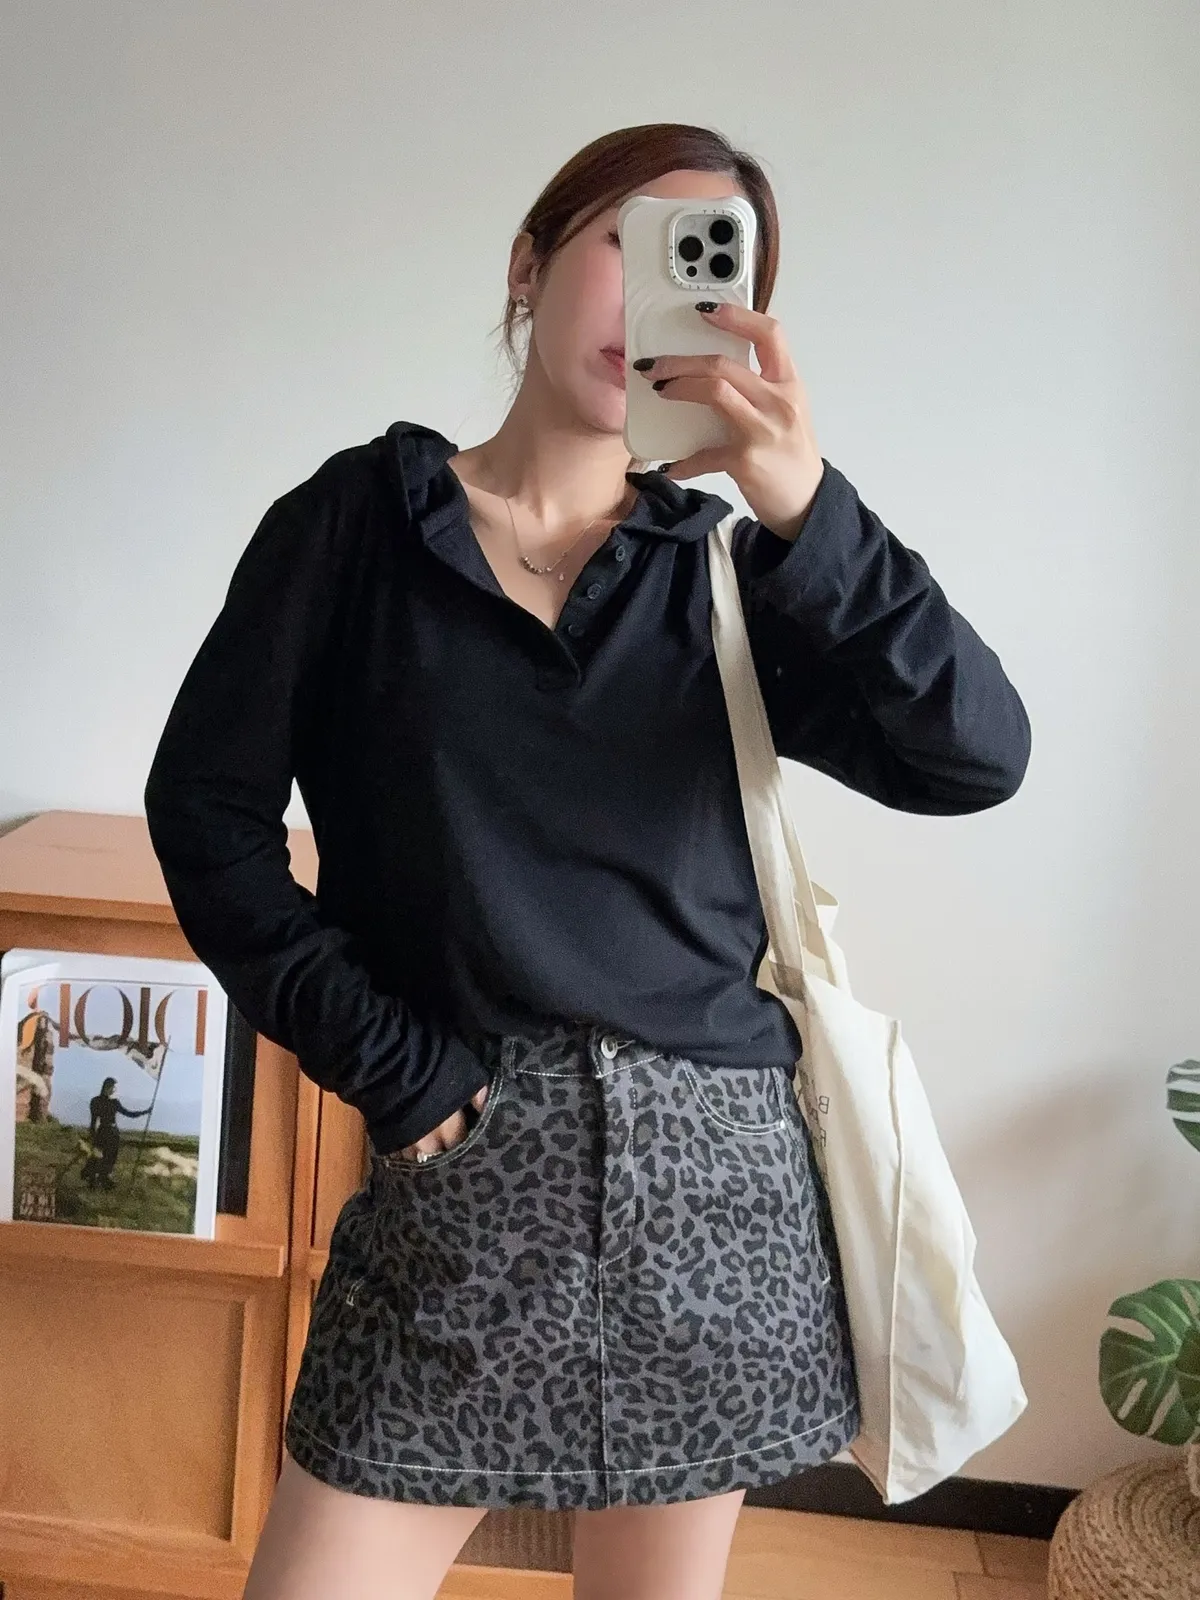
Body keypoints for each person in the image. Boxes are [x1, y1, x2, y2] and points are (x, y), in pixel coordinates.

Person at [144, 123, 1031, 1600]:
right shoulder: (356, 529)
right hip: (463, 1180)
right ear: (529, 265)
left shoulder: (728, 571)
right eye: (627, 243)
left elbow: (975, 755)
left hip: (717, 1201)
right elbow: (204, 815)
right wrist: (391, 1066)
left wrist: (807, 506)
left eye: (709, 266)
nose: (657, 294)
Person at [80, 1076, 152, 1189]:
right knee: (101, 1157)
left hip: (108, 1133)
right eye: (113, 1087)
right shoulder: (103, 1102)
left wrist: (144, 1112)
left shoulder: (103, 1101)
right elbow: (94, 1120)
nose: (113, 1090)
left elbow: (128, 1113)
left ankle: (102, 1178)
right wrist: (92, 1135)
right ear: (107, 1087)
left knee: (107, 1157)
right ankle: (96, 1178)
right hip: (107, 1133)